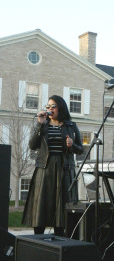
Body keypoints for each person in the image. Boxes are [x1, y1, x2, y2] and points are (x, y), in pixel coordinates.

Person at [22, 95, 83, 236]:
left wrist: (72, 145)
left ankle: (60, 243)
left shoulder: (71, 126)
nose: (49, 109)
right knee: (41, 209)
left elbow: (80, 149)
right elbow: (32, 145)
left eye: (53, 106)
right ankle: (39, 240)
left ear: (60, 108)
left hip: (64, 170)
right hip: (44, 169)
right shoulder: (42, 125)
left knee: (62, 210)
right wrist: (40, 124)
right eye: (47, 106)